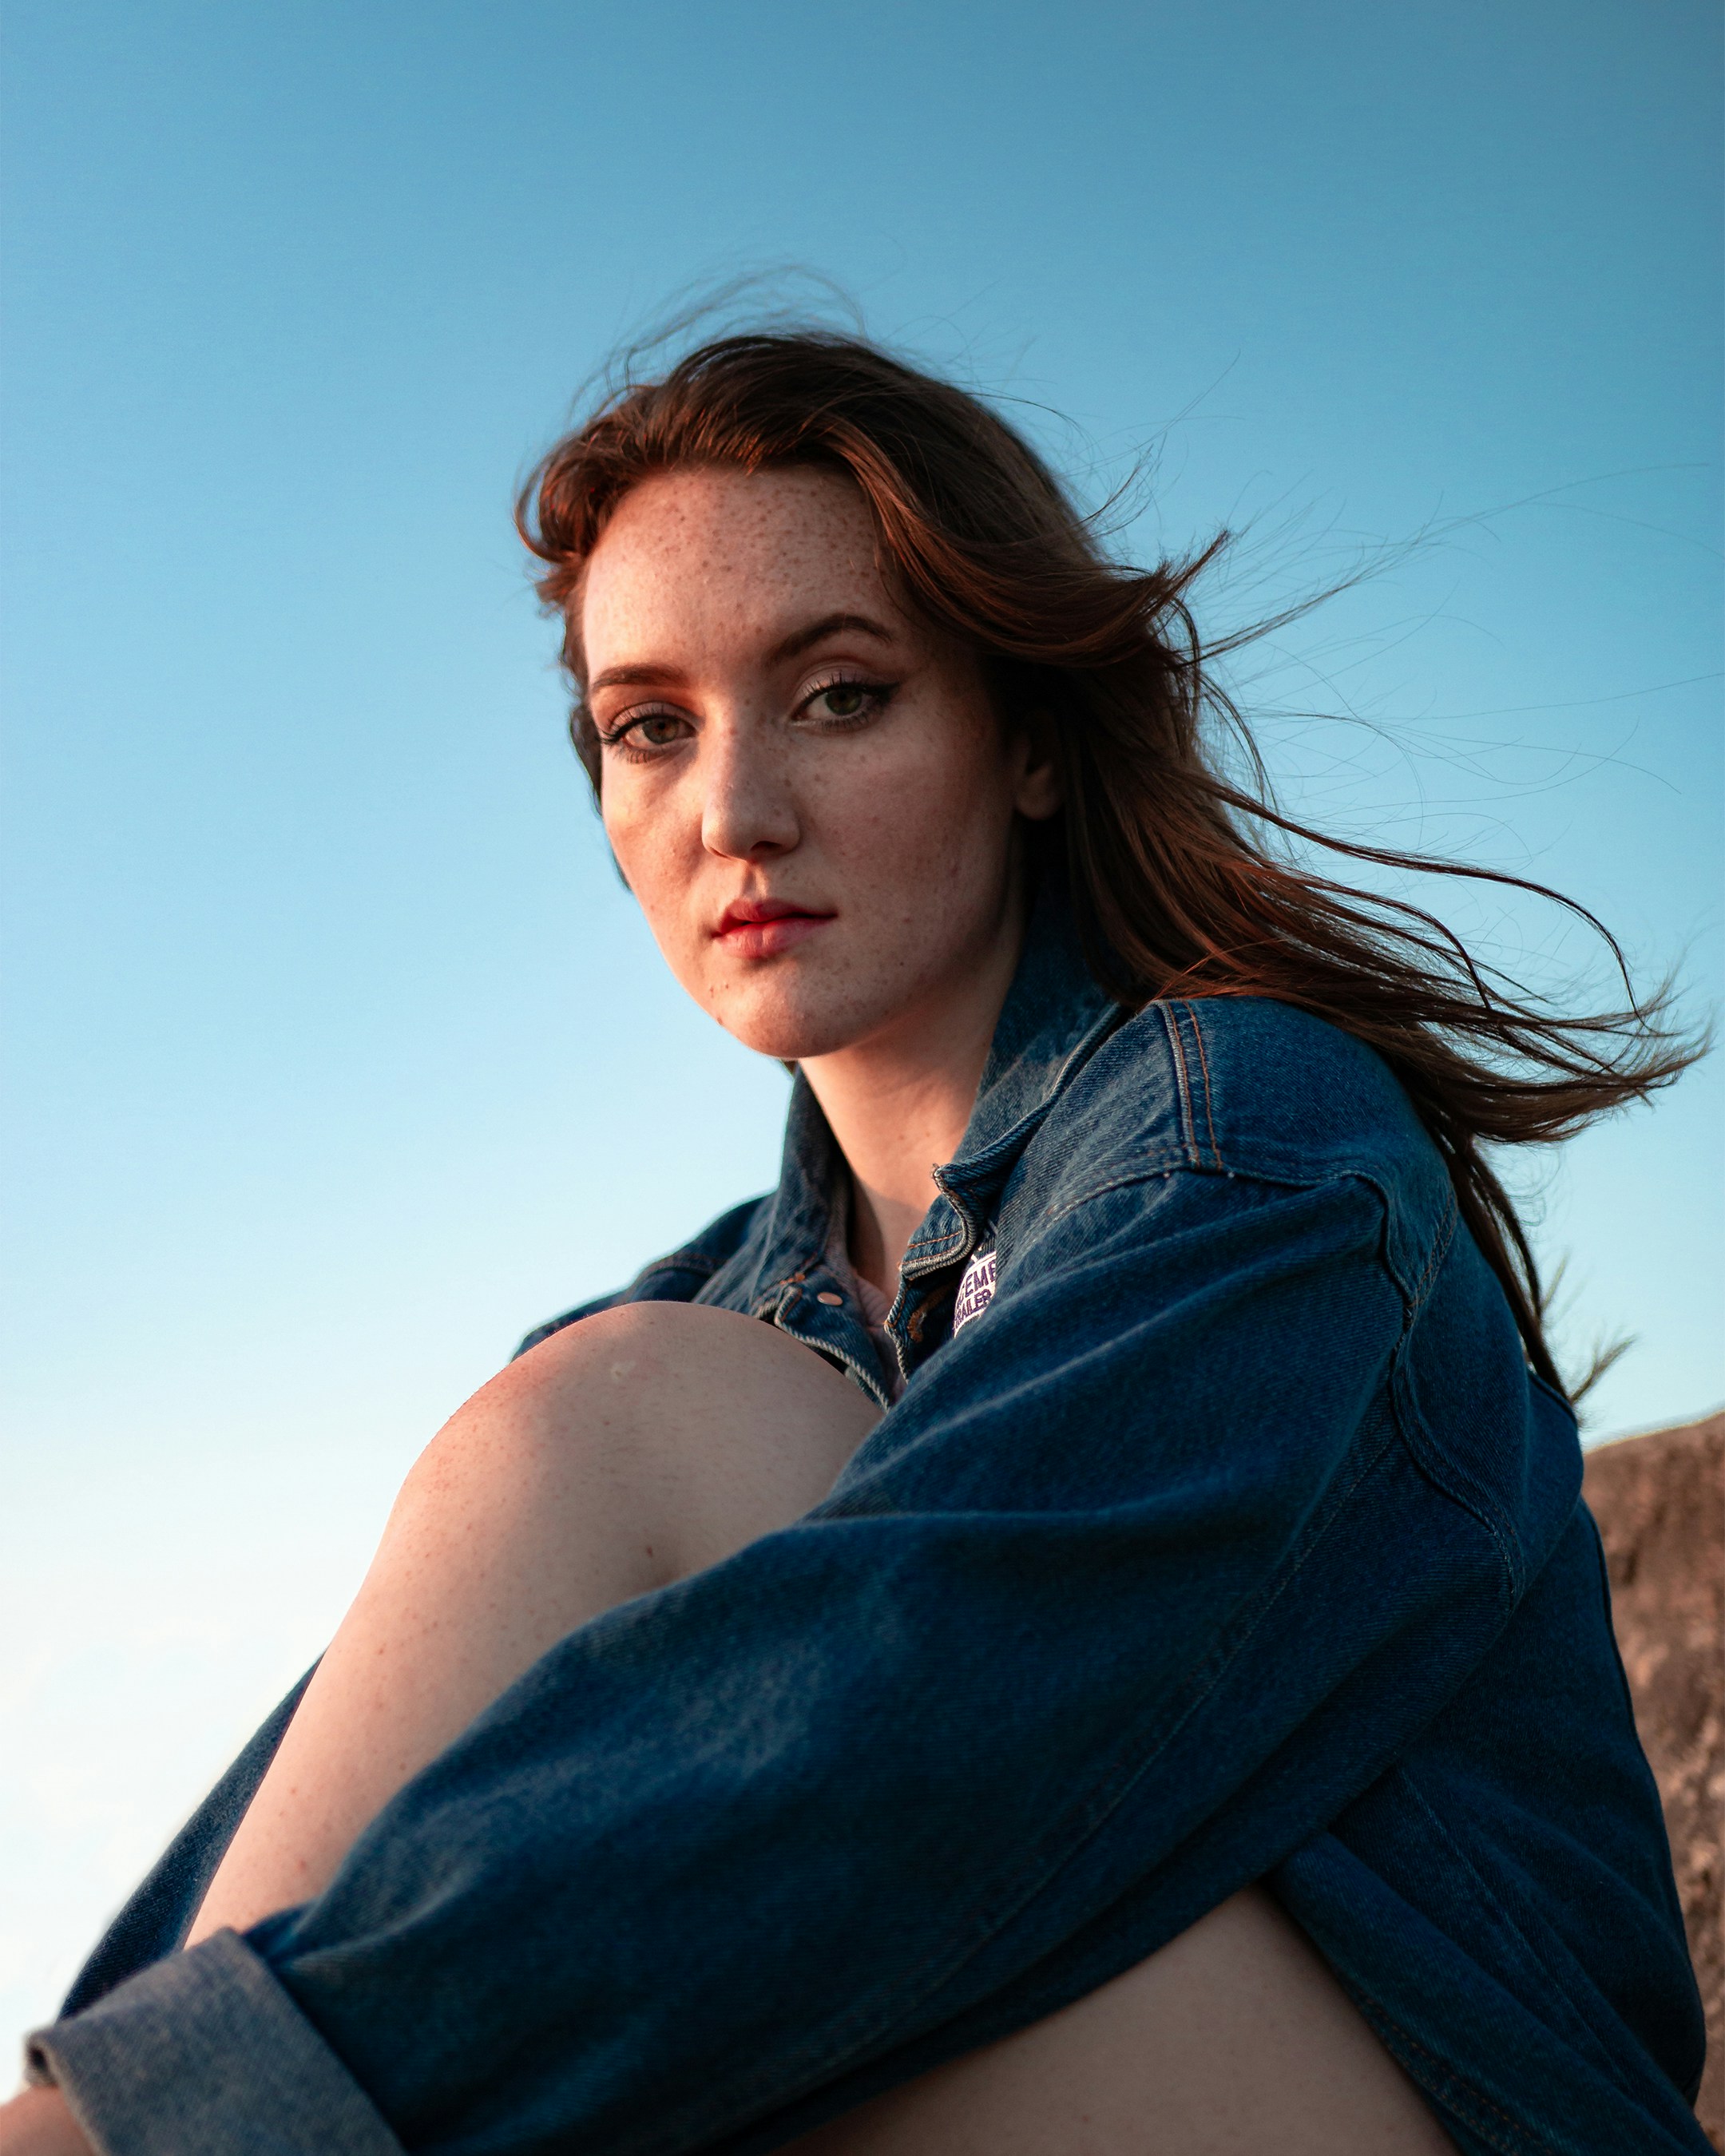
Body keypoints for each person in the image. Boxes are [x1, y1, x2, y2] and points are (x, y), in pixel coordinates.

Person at [4, 331, 1709, 2156]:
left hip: (1440, 2111)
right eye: (651, 728)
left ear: (1027, 742)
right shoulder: (712, 1306)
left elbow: (930, 1735)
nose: (734, 813)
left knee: (615, 1428)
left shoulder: (1247, 1141)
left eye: (837, 695)